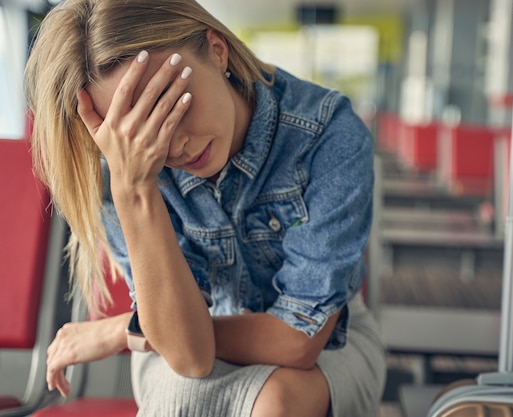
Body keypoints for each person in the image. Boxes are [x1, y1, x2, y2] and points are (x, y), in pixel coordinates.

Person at [24, 0, 386, 416]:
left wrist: (125, 331)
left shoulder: (328, 134)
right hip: (180, 334)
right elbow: (190, 358)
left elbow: (298, 341)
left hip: (331, 337)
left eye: (174, 106)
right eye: (141, 130)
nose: (173, 144)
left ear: (217, 50)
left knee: (277, 403)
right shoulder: (120, 174)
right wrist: (134, 188)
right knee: (186, 394)